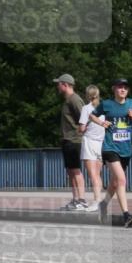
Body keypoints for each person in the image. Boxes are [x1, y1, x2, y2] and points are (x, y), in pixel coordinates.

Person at [90, 78, 132, 227]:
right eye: (120, 87)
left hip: (125, 149)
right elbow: (92, 115)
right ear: (114, 89)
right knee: (121, 180)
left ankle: (103, 205)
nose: (123, 90)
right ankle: (126, 216)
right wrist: (101, 122)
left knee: (115, 183)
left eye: (125, 88)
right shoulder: (107, 104)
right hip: (110, 148)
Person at [54, 73, 86, 211]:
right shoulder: (68, 100)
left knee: (76, 171)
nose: (57, 86)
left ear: (65, 85)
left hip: (74, 140)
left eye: (58, 84)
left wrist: (79, 134)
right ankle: (75, 199)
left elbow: (85, 118)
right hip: (67, 140)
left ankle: (82, 200)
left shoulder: (74, 100)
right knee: (70, 171)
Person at [77, 84, 106, 213]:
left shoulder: (86, 108)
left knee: (92, 174)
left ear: (88, 95)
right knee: (98, 174)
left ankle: (96, 200)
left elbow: (82, 128)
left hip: (89, 142)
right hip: (102, 143)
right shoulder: (104, 108)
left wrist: (79, 130)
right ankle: (99, 199)